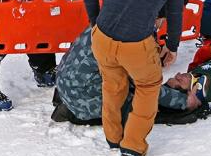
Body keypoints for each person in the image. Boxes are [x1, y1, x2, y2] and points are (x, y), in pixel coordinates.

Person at [85, 0, 185, 156]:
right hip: (137, 44)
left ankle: (113, 136)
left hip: (104, 38)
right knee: (148, 86)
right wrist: (171, 47)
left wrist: (95, 23)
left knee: (112, 84)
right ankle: (132, 145)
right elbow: (174, 14)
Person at [54, 27, 191, 125]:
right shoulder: (132, 38)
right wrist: (182, 101)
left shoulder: (110, 19)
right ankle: (76, 110)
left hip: (64, 83)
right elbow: (145, 85)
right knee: (139, 104)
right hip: (79, 98)